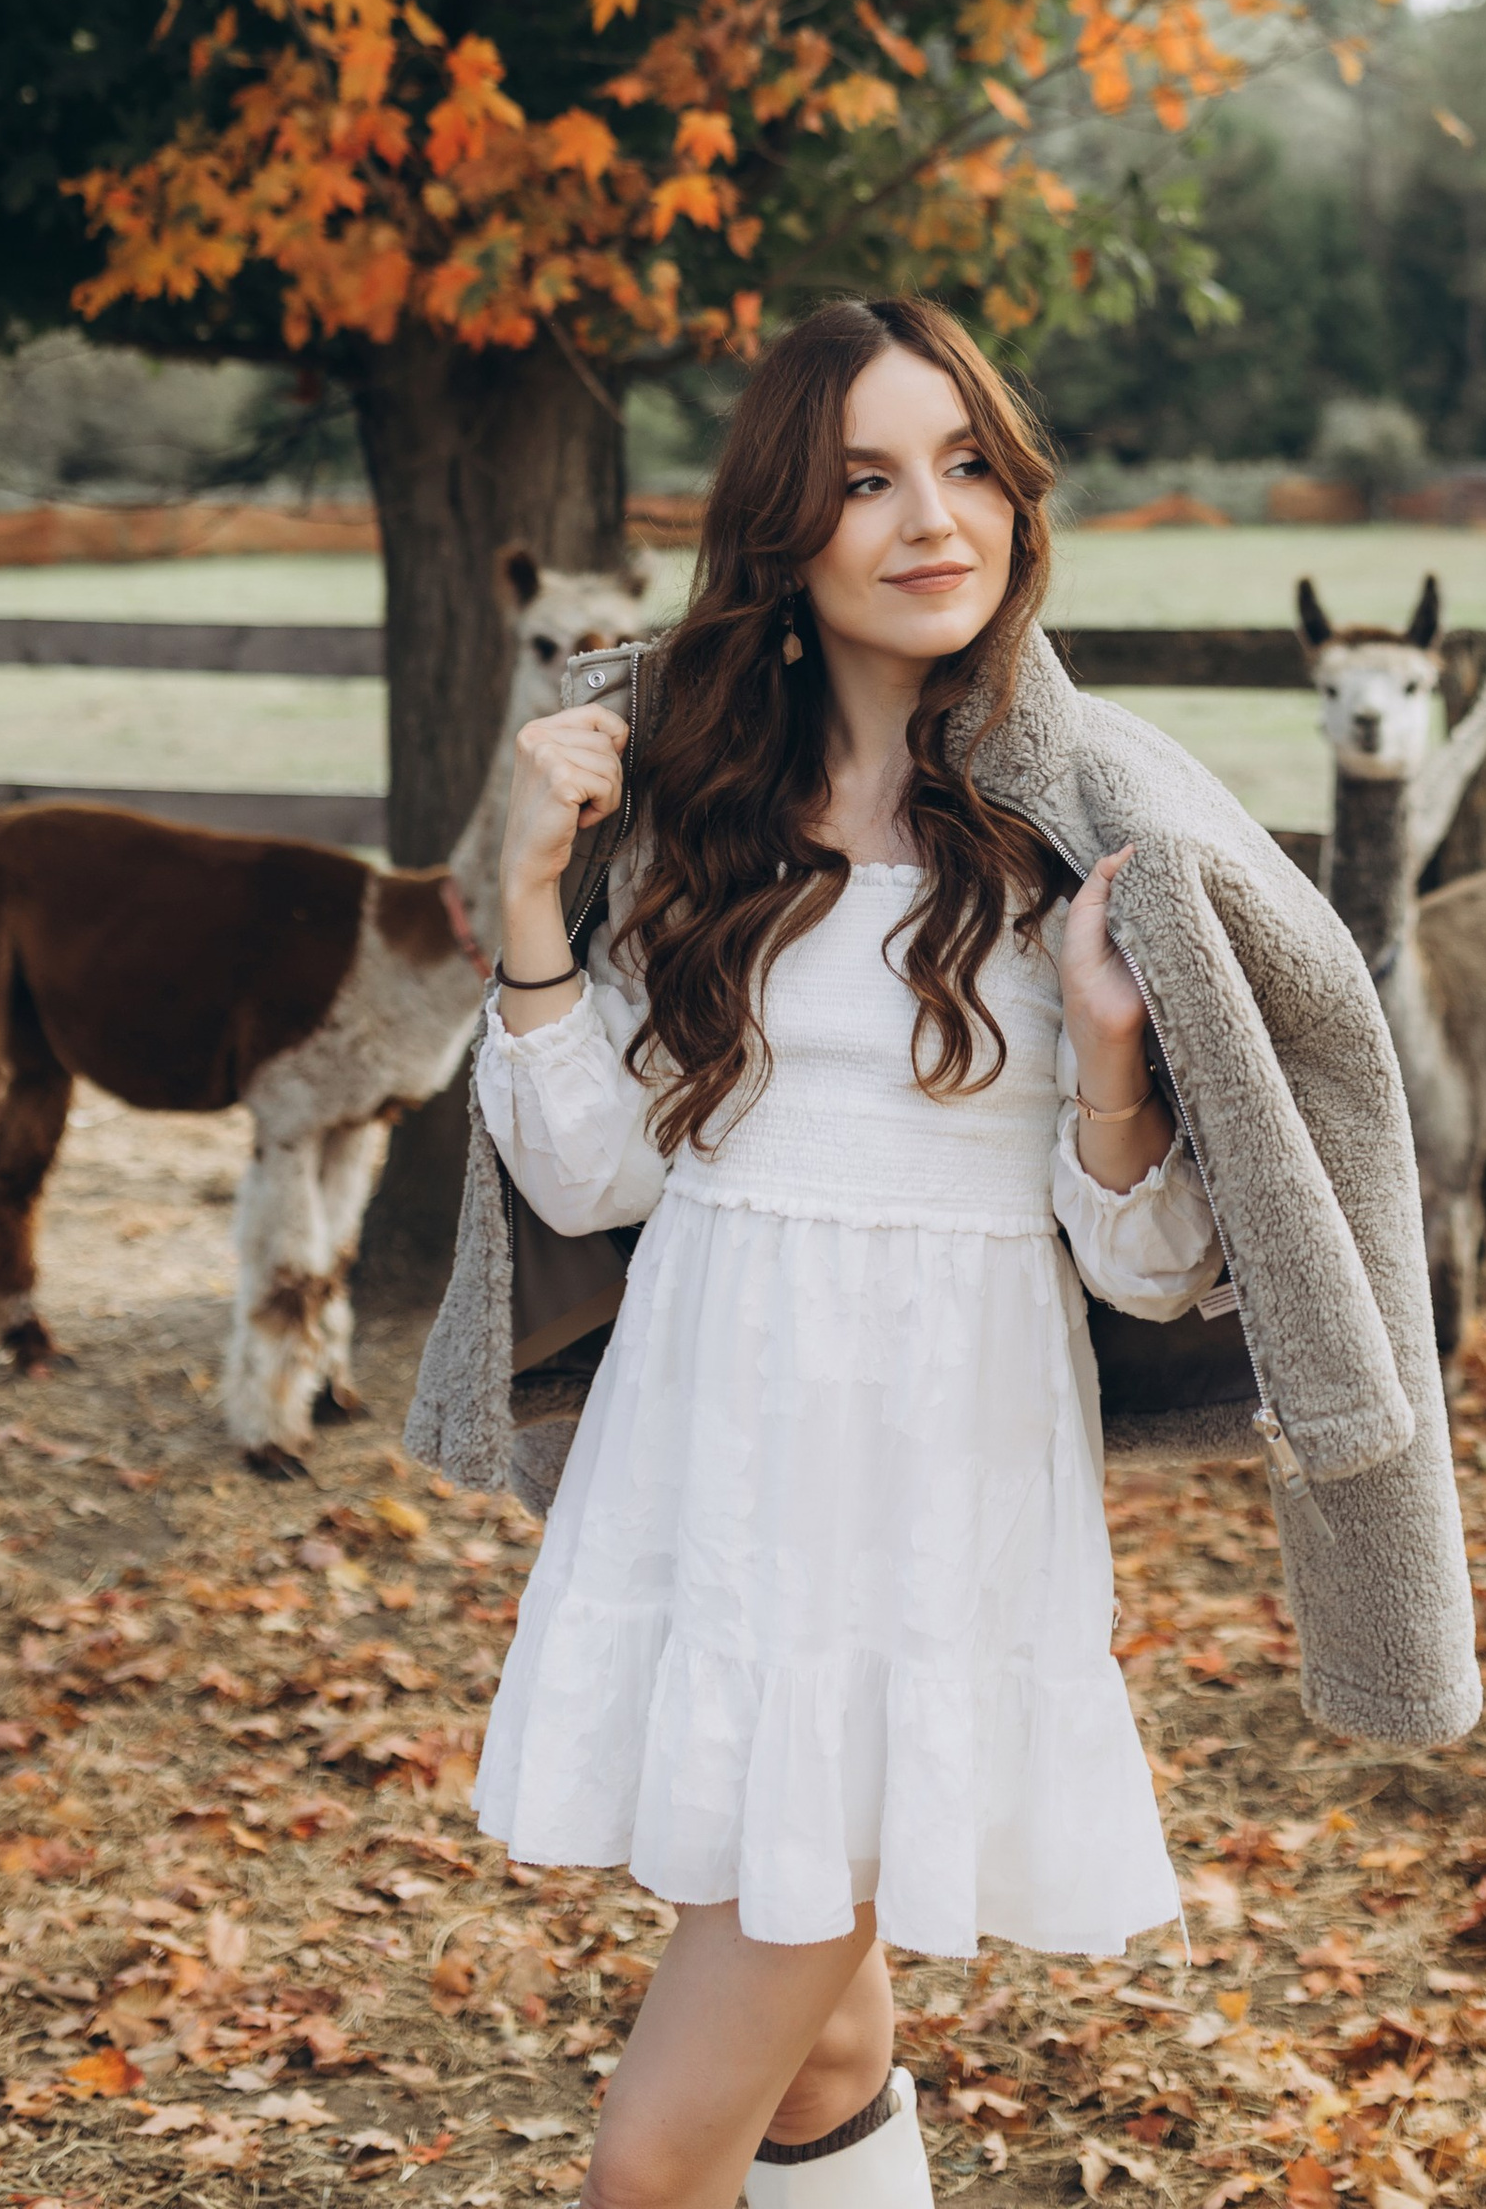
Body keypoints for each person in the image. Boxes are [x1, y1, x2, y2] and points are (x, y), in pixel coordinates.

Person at [470, 300, 1224, 2206]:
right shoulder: (696, 808)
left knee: (653, 2165)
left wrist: (1117, 1054)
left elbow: (1146, 1272)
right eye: (868, 480)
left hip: (931, 1500)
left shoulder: (1088, 826)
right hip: (712, 1478)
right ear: (785, 530)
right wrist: (528, 905)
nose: (930, 520)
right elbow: (584, 1177)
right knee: (825, 2050)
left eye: (966, 466)